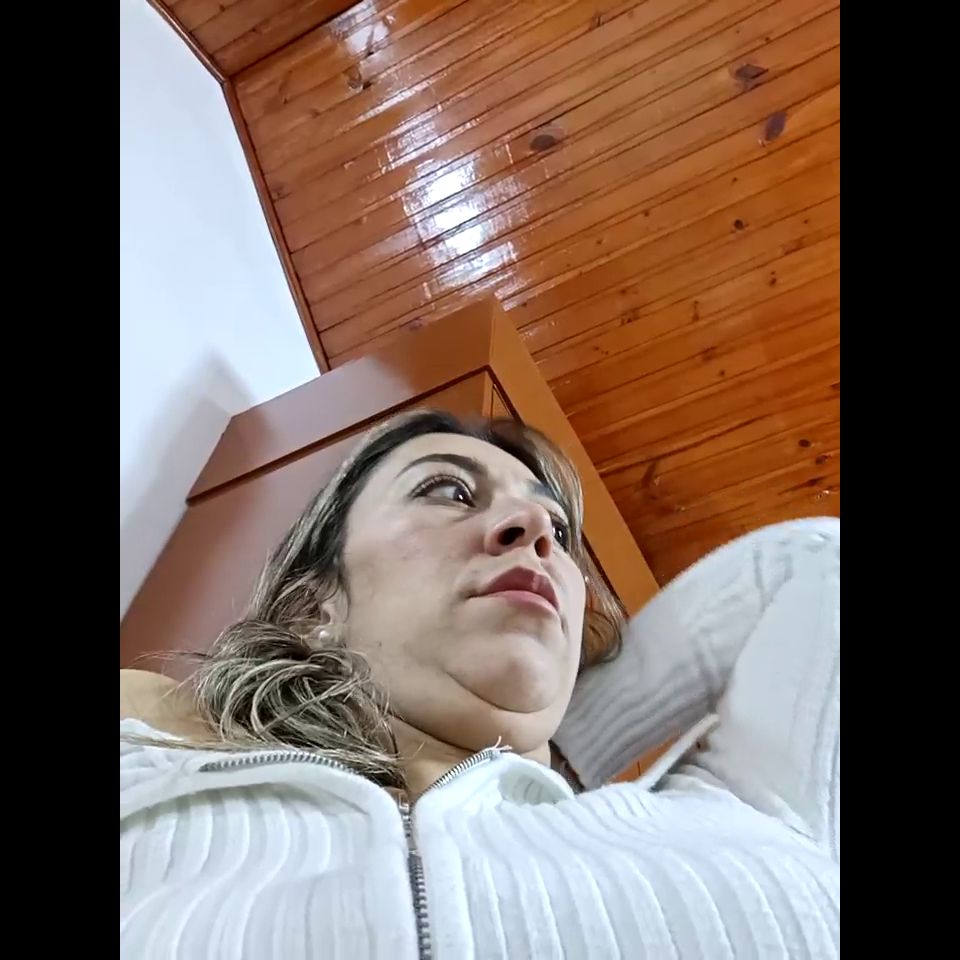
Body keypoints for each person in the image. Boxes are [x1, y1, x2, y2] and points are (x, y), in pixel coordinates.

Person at [120, 410, 839, 959]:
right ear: (315, 606)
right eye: (450, 491)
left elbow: (816, 560)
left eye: (559, 531)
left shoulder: (750, 818)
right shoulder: (151, 769)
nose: (536, 529)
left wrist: (554, 747)